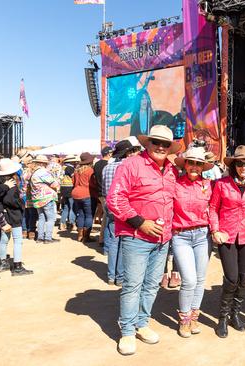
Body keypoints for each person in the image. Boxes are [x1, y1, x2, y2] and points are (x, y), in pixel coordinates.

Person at [107, 125, 180, 356]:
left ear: (170, 148)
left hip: (162, 239)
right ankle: (127, 331)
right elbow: (115, 199)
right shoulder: (131, 164)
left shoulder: (170, 170)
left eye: (165, 144)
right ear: (147, 143)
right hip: (137, 237)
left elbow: (171, 201)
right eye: (156, 141)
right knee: (133, 285)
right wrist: (140, 222)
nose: (161, 146)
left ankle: (142, 323)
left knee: (150, 285)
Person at [209, 145, 245, 338]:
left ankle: (235, 313)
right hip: (227, 235)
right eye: (239, 163)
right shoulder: (222, 184)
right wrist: (215, 230)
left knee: (243, 278)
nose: (243, 167)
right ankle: (223, 317)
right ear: (234, 166)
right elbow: (213, 208)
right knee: (231, 277)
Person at [171, 147, 213, 338]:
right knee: (189, 279)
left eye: (198, 163)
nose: (195, 166)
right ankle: (184, 318)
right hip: (181, 236)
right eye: (191, 162)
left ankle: (194, 315)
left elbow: (213, 209)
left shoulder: (208, 185)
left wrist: (216, 229)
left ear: (203, 166)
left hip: (202, 235)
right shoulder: (175, 184)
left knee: (201, 279)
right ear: (185, 164)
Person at [102, 139, 142, 286]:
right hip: (126, 207)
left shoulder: (107, 167)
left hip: (110, 206)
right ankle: (120, 276)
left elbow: (105, 190)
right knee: (123, 242)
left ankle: (111, 276)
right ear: (128, 152)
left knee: (113, 242)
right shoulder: (130, 166)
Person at [0, 158, 30, 275]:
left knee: (4, 240)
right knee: (17, 241)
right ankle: (17, 267)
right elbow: (11, 200)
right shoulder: (10, 184)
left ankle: (3, 263)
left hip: (4, 214)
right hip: (13, 215)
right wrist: (21, 204)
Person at [29, 155, 59, 243]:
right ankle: (48, 238)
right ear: (43, 163)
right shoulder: (43, 172)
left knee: (41, 217)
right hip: (46, 198)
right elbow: (54, 184)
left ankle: (40, 237)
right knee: (51, 218)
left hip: (37, 199)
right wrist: (57, 181)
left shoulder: (34, 172)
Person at [72, 153, 95, 243]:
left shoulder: (76, 170)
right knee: (89, 215)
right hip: (86, 193)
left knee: (81, 214)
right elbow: (92, 183)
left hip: (76, 193)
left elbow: (73, 182)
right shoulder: (90, 170)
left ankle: (79, 235)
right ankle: (86, 237)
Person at [94, 146, 113, 244]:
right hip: (106, 192)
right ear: (109, 154)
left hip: (99, 192)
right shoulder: (109, 165)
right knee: (107, 217)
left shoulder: (96, 164)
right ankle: (104, 240)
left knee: (105, 216)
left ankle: (102, 239)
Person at [59, 155, 78, 232]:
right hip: (70, 188)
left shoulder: (62, 168)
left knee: (66, 207)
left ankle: (62, 223)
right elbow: (74, 177)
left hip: (63, 188)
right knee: (72, 207)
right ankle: (73, 224)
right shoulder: (70, 168)